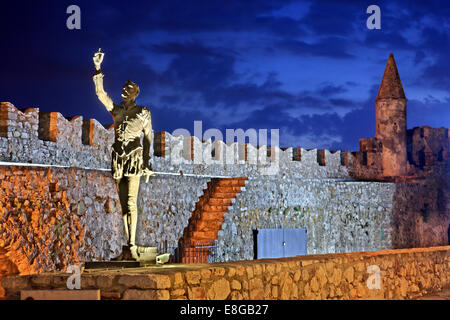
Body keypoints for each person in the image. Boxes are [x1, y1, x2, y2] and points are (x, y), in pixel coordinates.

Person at [92, 48, 154, 260]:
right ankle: (128, 247)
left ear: (134, 93)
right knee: (123, 207)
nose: (123, 90)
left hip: (134, 159)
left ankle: (133, 244)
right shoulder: (117, 111)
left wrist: (147, 162)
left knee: (131, 203)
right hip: (119, 159)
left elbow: (147, 138)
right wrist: (98, 68)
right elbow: (100, 94)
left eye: (127, 89)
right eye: (123, 88)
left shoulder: (143, 112)